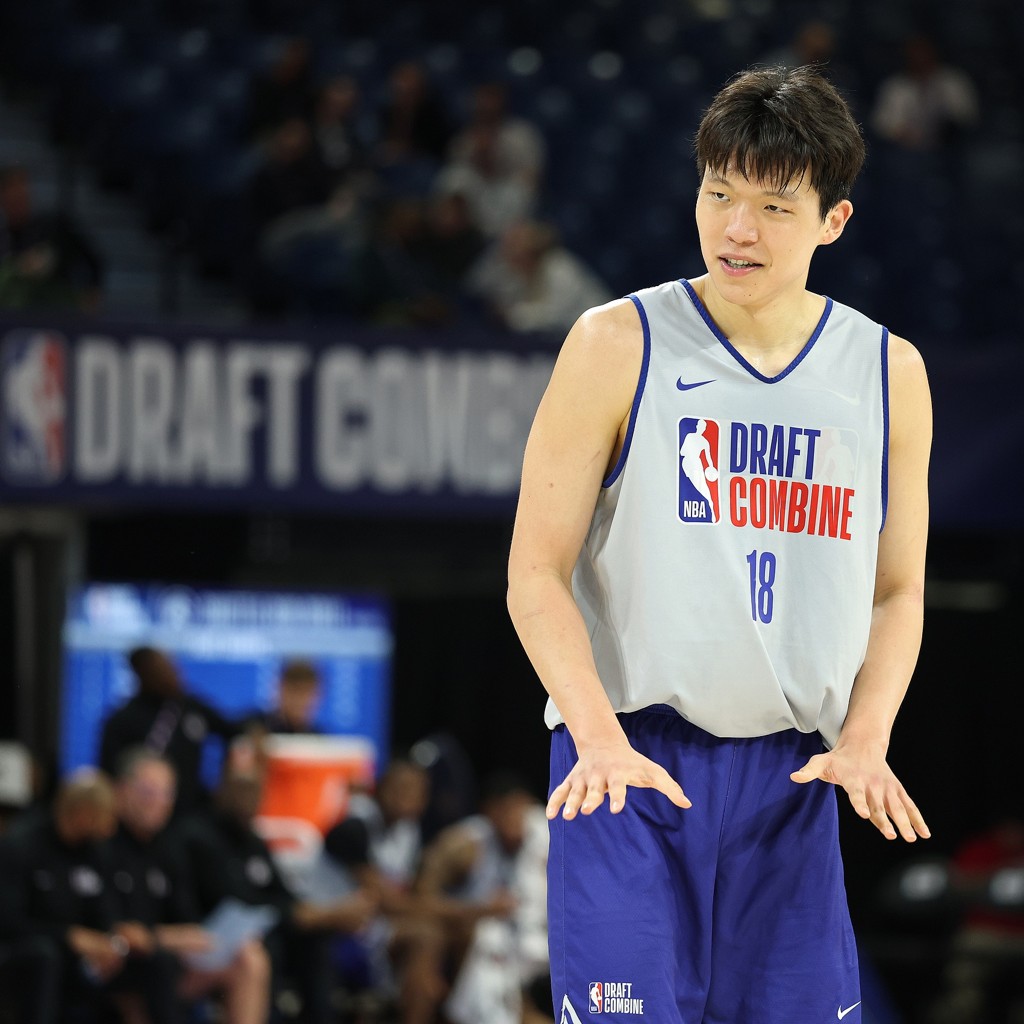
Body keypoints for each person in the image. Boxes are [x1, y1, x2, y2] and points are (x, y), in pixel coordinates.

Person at [506, 64, 932, 1024]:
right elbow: (534, 572)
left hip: (792, 782)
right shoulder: (615, 343)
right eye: (719, 194)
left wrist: (868, 737)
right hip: (626, 770)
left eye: (774, 207)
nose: (738, 229)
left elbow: (898, 589)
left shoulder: (888, 372)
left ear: (833, 221)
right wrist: (596, 738)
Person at [174, 767, 377, 1024]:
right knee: (268, 946)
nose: (249, 800)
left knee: (314, 941)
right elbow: (234, 899)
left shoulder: (253, 840)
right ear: (221, 791)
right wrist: (307, 915)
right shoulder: (197, 835)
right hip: (210, 938)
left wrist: (309, 914)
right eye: (242, 790)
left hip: (262, 926)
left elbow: (282, 892)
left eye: (256, 792)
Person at [0, 768, 182, 1024]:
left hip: (86, 958)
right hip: (33, 952)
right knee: (45, 955)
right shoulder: (21, 845)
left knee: (156, 960)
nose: (111, 826)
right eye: (107, 816)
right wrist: (69, 936)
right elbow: (9, 922)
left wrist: (114, 937)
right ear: (83, 812)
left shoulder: (95, 851)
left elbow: (105, 909)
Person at [107, 748, 271, 1024]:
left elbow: (186, 916)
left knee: (250, 957)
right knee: (155, 969)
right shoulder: (103, 845)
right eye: (148, 792)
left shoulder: (170, 847)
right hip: (120, 964)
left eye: (166, 793)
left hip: (171, 961)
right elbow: (114, 929)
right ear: (121, 791)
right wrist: (164, 938)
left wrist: (193, 937)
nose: (158, 802)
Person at [415, 772, 551, 1024]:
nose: (513, 819)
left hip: (547, 943)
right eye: (505, 811)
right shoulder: (465, 842)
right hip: (491, 942)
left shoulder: (554, 834)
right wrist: (480, 909)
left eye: (518, 810)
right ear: (489, 811)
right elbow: (422, 902)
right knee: (488, 940)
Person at [98, 646, 244, 817]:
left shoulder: (190, 707)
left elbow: (232, 731)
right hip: (141, 815)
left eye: (170, 666)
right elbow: (107, 775)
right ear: (141, 674)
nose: (170, 673)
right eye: (158, 669)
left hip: (190, 811)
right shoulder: (122, 720)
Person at [0, 165, 104, 312]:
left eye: (22, 194)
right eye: (12, 197)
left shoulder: (54, 228)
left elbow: (93, 259)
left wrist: (92, 292)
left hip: (56, 312)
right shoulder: (4, 238)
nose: (18, 200)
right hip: (13, 317)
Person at [871, 33, 978, 152]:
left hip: (952, 146)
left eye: (924, 53)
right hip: (907, 150)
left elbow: (968, 116)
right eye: (914, 55)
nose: (920, 59)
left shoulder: (953, 81)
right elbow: (882, 126)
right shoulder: (895, 87)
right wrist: (906, 134)